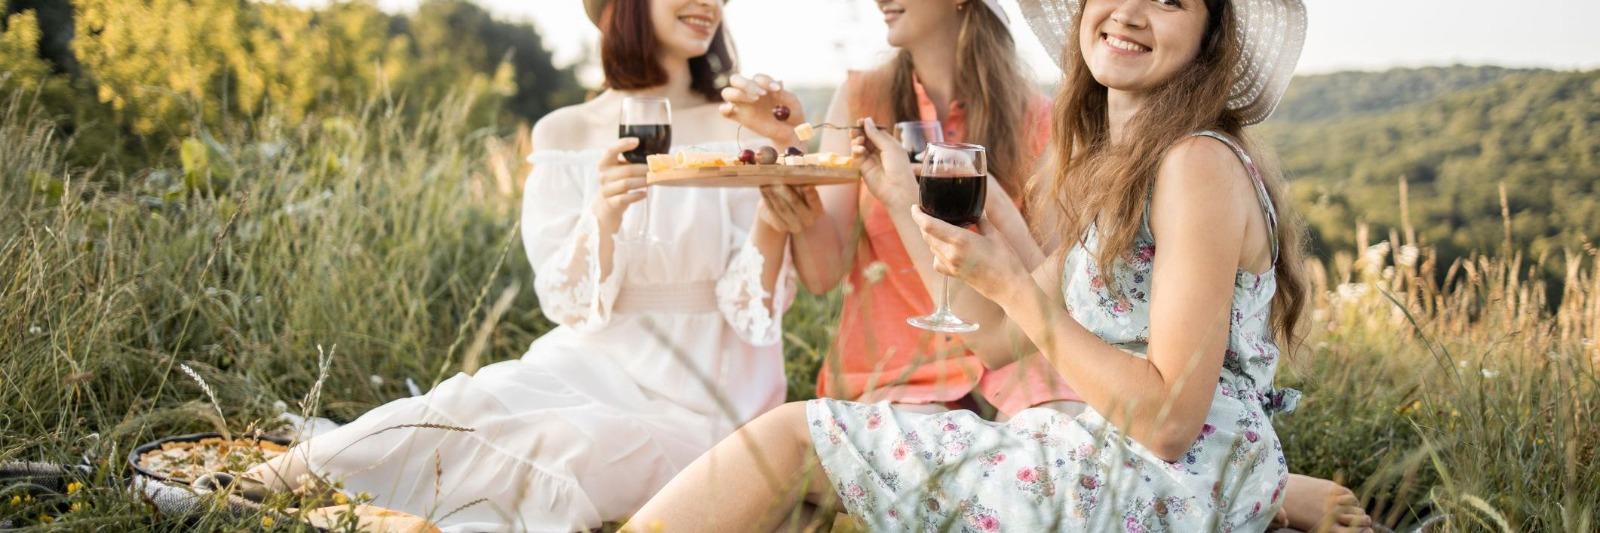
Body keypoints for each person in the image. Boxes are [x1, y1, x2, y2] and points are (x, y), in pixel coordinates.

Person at [626, 0, 1376, 530]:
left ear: (1210, 38)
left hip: (1166, 487)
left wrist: (1015, 284)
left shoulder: (1195, 165)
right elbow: (990, 337)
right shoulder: (1129, 169)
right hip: (1136, 467)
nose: (1129, 11)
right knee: (802, 454)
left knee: (793, 436)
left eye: (1170, 0)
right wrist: (898, 193)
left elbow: (1168, 420)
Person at [242, 0, 797, 530]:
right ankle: (234, 490)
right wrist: (602, 212)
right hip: (593, 360)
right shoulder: (566, 131)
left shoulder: (741, 130)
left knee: (565, 443)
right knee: (468, 402)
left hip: (706, 391)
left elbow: (754, 312)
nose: (709, 4)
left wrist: (777, 197)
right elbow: (566, 303)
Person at [725, 0, 1080, 422]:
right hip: (898, 374)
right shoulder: (861, 100)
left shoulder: (1039, 116)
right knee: (921, 446)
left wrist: (997, 207)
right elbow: (822, 275)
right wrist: (789, 150)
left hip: (1018, 366)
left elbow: (1054, 283)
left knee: (1052, 432)